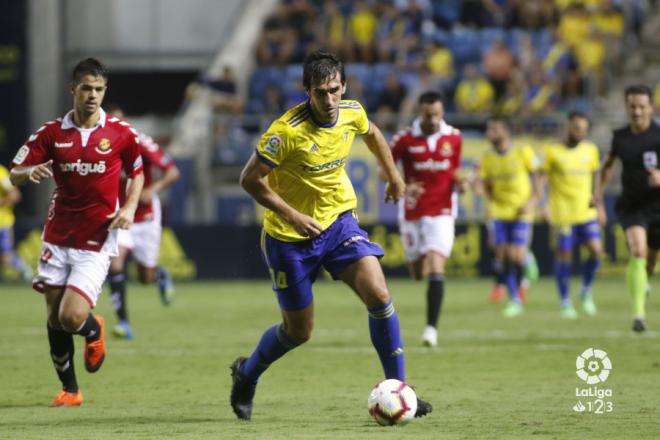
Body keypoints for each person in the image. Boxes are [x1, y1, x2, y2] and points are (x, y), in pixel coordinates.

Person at [230, 50, 432, 420]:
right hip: (288, 238)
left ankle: (400, 388)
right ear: (306, 90)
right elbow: (249, 180)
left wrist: (394, 176)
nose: (328, 100)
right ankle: (247, 373)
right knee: (298, 332)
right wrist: (292, 215)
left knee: (379, 294)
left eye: (334, 90)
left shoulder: (352, 112)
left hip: (339, 223)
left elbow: (373, 134)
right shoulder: (285, 132)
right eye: (320, 92)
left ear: (344, 86)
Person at [9, 58, 144, 406]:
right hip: (57, 235)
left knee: (71, 317)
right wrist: (30, 172)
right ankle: (71, 390)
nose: (92, 95)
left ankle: (93, 329)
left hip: (96, 238)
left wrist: (128, 208)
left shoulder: (120, 133)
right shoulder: (51, 133)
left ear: (105, 91)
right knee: (54, 318)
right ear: (73, 89)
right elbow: (15, 172)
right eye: (86, 88)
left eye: (98, 89)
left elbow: (137, 173)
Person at [388, 91, 462, 348]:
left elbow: (455, 170)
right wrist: (405, 186)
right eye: (428, 114)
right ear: (420, 112)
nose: (432, 119)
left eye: (437, 114)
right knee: (419, 272)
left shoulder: (454, 137)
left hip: (442, 212)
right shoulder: (404, 139)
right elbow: (382, 170)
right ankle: (413, 258)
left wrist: (461, 182)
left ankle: (431, 329)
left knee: (436, 264)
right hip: (412, 213)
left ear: (442, 113)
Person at [105, 105, 180, 340]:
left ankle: (159, 275)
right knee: (115, 265)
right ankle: (124, 323)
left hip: (146, 215)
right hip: (120, 215)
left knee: (144, 278)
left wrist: (153, 189)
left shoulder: (140, 142)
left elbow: (172, 171)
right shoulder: (100, 146)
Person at [595, 84, 660, 332]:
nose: (637, 111)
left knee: (650, 263)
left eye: (642, 106)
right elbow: (607, 165)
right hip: (632, 205)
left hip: (657, 206)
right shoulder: (620, 137)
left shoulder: (658, 135)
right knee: (637, 250)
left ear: (650, 107)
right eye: (632, 106)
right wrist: (598, 195)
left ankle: (643, 283)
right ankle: (639, 315)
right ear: (626, 107)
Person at [538, 111, 603, 319]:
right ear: (567, 127)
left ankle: (585, 290)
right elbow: (540, 179)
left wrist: (598, 202)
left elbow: (595, 175)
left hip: (586, 212)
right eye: (576, 128)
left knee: (596, 250)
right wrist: (543, 205)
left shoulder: (590, 150)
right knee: (564, 255)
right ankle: (565, 301)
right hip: (562, 214)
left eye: (583, 130)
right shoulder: (551, 150)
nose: (580, 133)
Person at [477, 116, 540, 317]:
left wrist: (533, 200)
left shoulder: (523, 151)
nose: (490, 133)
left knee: (516, 256)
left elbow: (538, 176)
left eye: (494, 129)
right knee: (503, 255)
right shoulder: (486, 157)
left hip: (521, 210)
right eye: (489, 129)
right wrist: (485, 196)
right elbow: (485, 184)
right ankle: (515, 299)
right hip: (499, 211)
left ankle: (528, 259)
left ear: (505, 131)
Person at [0, 164, 33, 281]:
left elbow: (14, 195)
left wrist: (2, 202)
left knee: (5, 257)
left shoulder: (1, 173)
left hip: (2, 223)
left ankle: (24, 269)